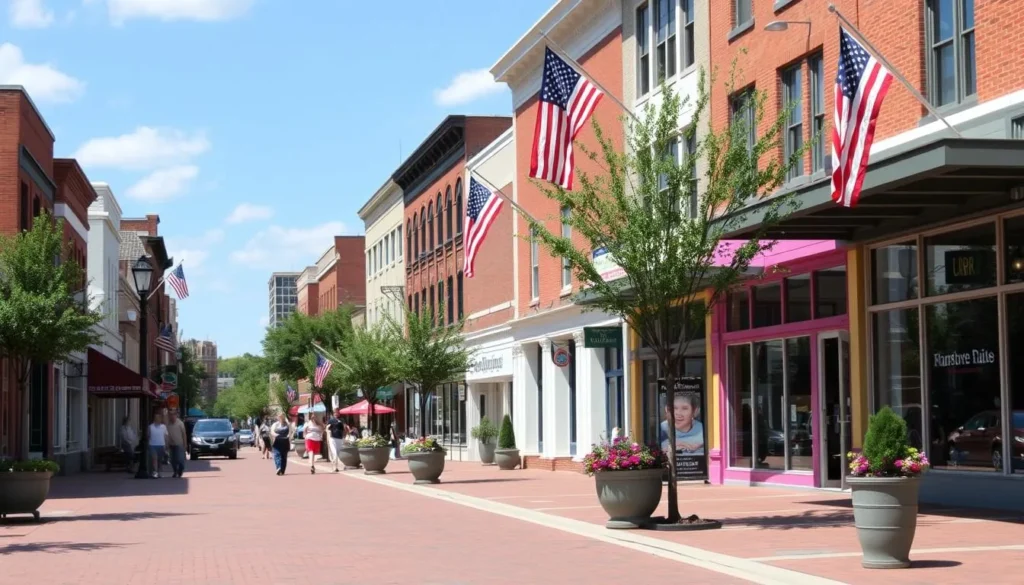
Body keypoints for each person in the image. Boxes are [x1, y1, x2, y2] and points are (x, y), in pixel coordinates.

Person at [166, 410, 188, 478]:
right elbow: (166, 434)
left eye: (173, 415)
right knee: (172, 460)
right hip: (171, 445)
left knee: (180, 460)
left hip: (179, 444)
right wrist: (166, 443)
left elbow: (184, 434)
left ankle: (180, 470)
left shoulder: (180, 423)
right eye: (170, 415)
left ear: (176, 415)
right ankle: (175, 471)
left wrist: (185, 444)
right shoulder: (168, 424)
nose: (172, 416)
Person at [148, 412, 168, 479]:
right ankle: (155, 472)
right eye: (156, 418)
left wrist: (166, 445)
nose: (158, 419)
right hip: (153, 445)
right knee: (154, 459)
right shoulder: (150, 427)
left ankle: (159, 472)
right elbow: (148, 436)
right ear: (154, 419)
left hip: (161, 445)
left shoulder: (163, 427)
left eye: (159, 418)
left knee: (160, 460)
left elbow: (165, 436)